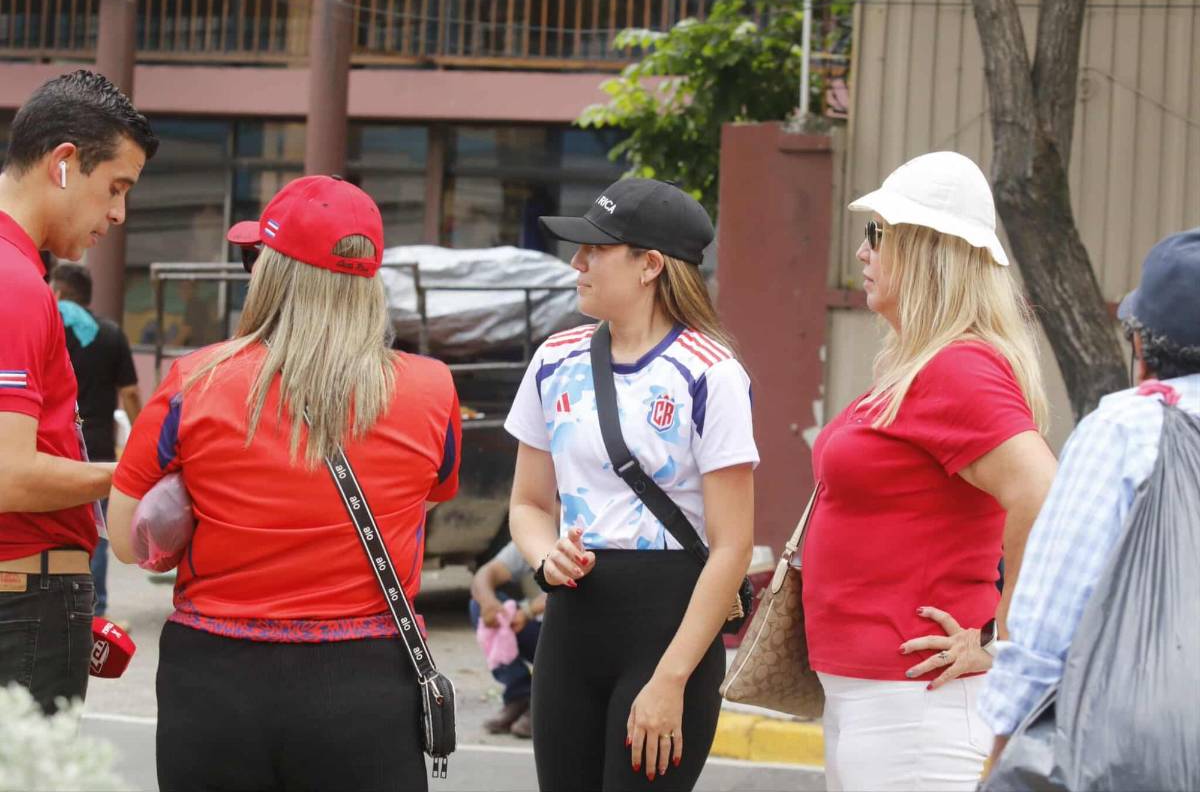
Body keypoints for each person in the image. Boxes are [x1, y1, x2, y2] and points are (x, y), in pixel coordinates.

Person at [104, 175, 462, 791]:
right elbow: (433, 493)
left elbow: (124, 541)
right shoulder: (432, 389)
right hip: (366, 681)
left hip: (214, 680)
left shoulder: (195, 381)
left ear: (274, 274)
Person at [801, 151, 1059, 791]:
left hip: (915, 708)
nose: (862, 252)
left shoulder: (957, 366)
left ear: (924, 251)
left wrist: (1000, 640)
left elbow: (1043, 492)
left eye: (878, 235)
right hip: (880, 698)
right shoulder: (924, 362)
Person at [506, 177, 758, 791]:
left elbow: (733, 545)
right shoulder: (553, 360)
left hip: (669, 627)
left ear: (650, 265)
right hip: (571, 624)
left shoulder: (710, 373)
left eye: (596, 249)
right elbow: (529, 503)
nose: (577, 262)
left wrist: (671, 680)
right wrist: (547, 558)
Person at [978, 228, 1200, 771]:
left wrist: (1006, 742)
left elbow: (1054, 607)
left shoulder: (1127, 428)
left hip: (1144, 750)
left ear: (1141, 345)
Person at [0, 69, 156, 714]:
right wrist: (130, 475)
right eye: (115, 187)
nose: (118, 213)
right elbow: (7, 475)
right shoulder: (14, 283)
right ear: (64, 163)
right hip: (24, 599)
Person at [50, 262, 142, 619]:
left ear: (57, 292)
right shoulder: (111, 335)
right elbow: (131, 393)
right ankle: (94, 611)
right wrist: (141, 438)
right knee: (97, 531)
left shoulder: (48, 326)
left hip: (53, 447)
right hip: (98, 447)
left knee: (55, 526)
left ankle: (59, 604)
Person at [468, 540, 545, 738]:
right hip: (536, 628)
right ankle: (519, 696)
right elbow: (485, 574)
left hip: (568, 632)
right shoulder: (532, 530)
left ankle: (545, 705)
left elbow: (574, 590)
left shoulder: (581, 531)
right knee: (480, 608)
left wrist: (527, 611)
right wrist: (488, 602)